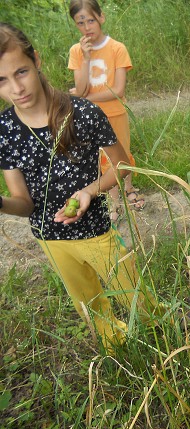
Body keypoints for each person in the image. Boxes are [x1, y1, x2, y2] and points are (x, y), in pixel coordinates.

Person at [0, 22, 162, 354]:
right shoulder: (4, 131)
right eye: (2, 80)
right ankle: (120, 354)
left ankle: (163, 341)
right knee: (89, 306)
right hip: (50, 238)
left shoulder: (82, 112)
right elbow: (24, 203)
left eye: (21, 72)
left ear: (37, 61)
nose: (16, 88)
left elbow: (121, 164)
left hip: (98, 232)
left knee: (137, 296)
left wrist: (89, 191)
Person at [67, 0, 144, 223]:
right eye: (80, 22)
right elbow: (80, 88)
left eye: (91, 20)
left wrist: (83, 97)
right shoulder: (77, 51)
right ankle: (114, 201)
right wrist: (86, 57)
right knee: (103, 160)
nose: (87, 27)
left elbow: (118, 90)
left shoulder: (117, 48)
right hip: (90, 117)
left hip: (115, 113)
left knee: (122, 155)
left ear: (101, 17)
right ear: (75, 24)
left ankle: (128, 187)